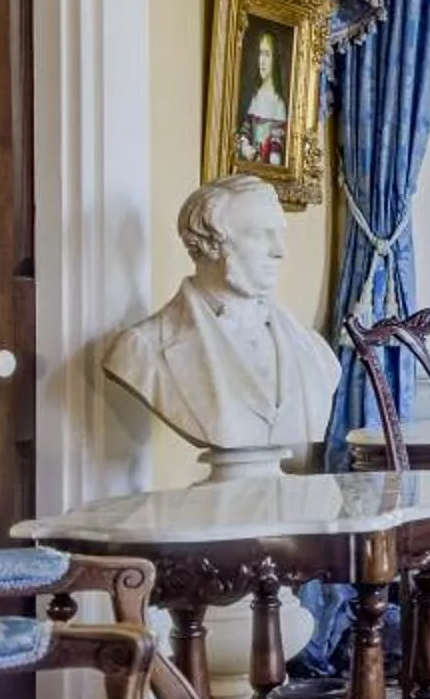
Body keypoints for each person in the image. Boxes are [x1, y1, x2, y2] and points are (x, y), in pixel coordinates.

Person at [102, 174, 337, 455]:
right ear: (211, 244)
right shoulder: (141, 349)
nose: (280, 251)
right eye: (261, 235)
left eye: (279, 234)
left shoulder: (315, 352)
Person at [234, 28, 290, 166]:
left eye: (267, 54)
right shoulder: (256, 96)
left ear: (275, 59)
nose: (262, 61)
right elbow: (245, 131)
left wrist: (270, 162)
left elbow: (276, 150)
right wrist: (245, 147)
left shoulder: (278, 103)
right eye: (260, 53)